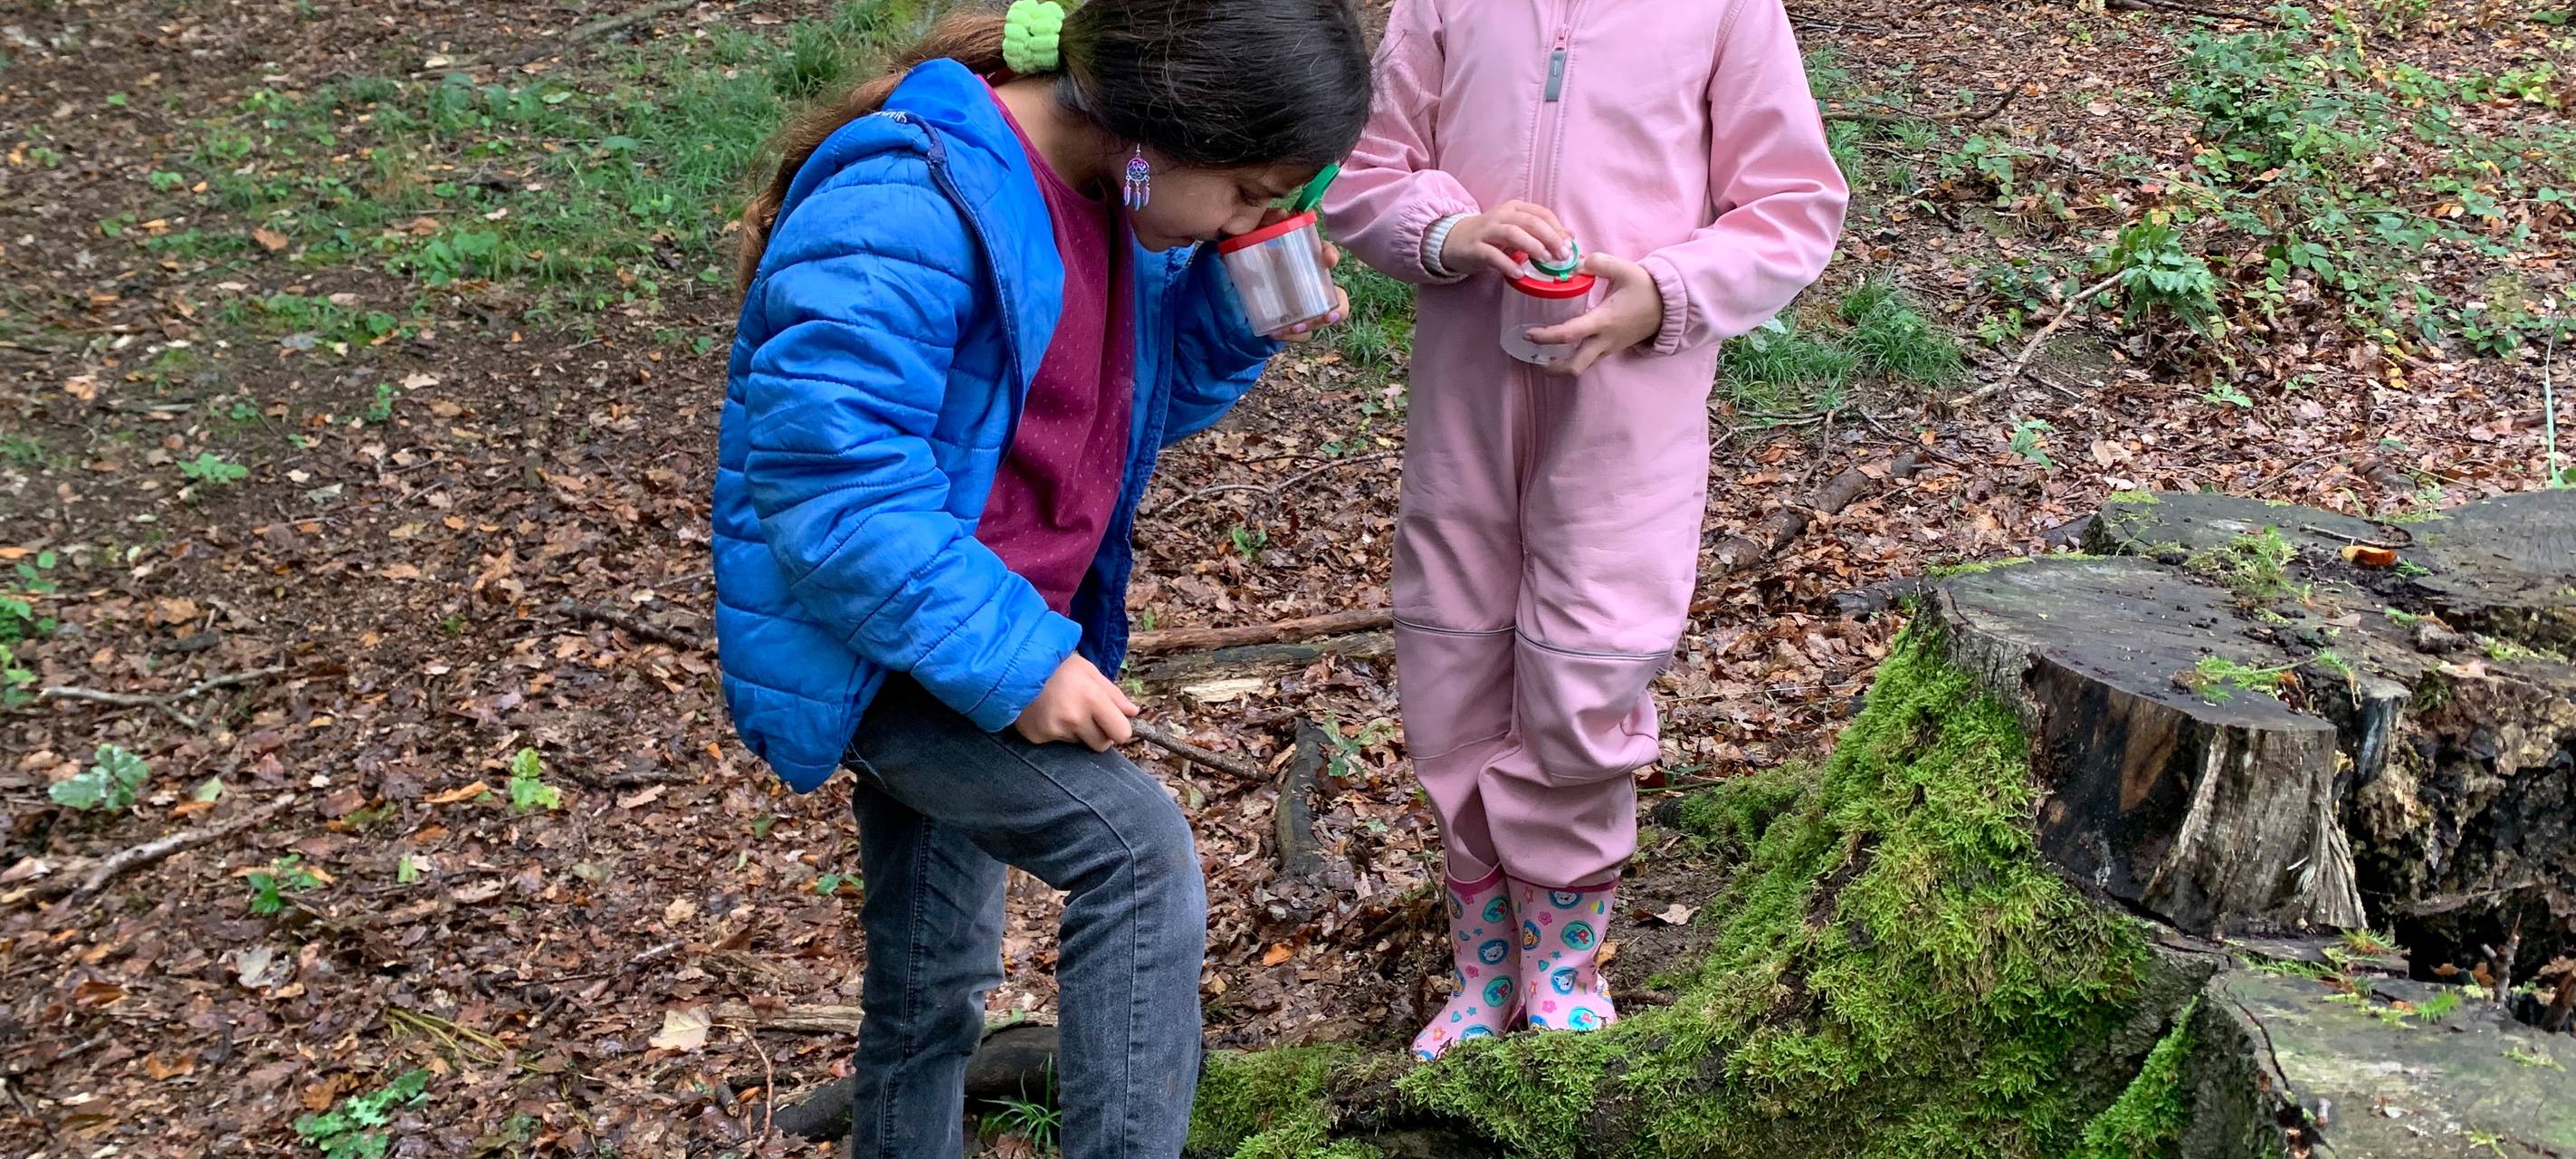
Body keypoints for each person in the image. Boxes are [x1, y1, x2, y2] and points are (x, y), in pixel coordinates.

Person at [712, 0, 1371, 1151]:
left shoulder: (1120, 208)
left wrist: (1227, 319)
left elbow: (1119, 413)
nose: (1253, 221)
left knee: (931, 978)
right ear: (1154, 132)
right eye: (1250, 193)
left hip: (975, 631)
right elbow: (833, 490)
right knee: (1132, 850)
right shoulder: (907, 202)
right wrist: (1022, 664)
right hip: (884, 641)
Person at [1323, 0, 1849, 1059]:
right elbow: (1361, 175)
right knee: (1450, 666)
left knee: (1585, 670)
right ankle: (1482, 970)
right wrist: (1452, 229)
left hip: (1626, 420)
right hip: (1464, 407)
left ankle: (1561, 967)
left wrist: (1662, 292)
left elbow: (1793, 202)